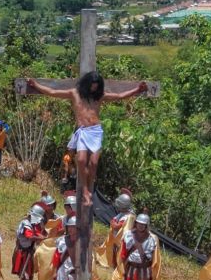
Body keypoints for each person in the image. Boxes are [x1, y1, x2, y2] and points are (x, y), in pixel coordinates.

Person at [26, 73, 148, 207]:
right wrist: (35, 84)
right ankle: (84, 191)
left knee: (94, 163)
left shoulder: (99, 97)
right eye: (92, 86)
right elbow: (52, 91)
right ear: (86, 84)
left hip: (95, 132)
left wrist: (137, 90)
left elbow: (119, 96)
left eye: (96, 87)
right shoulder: (74, 93)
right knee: (81, 160)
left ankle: (90, 190)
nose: (93, 89)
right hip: (83, 132)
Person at [11, 207, 48, 280]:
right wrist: (41, 238)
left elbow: (39, 232)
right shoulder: (25, 223)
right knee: (24, 277)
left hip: (29, 252)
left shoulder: (33, 224)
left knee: (28, 277)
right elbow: (30, 236)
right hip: (23, 253)